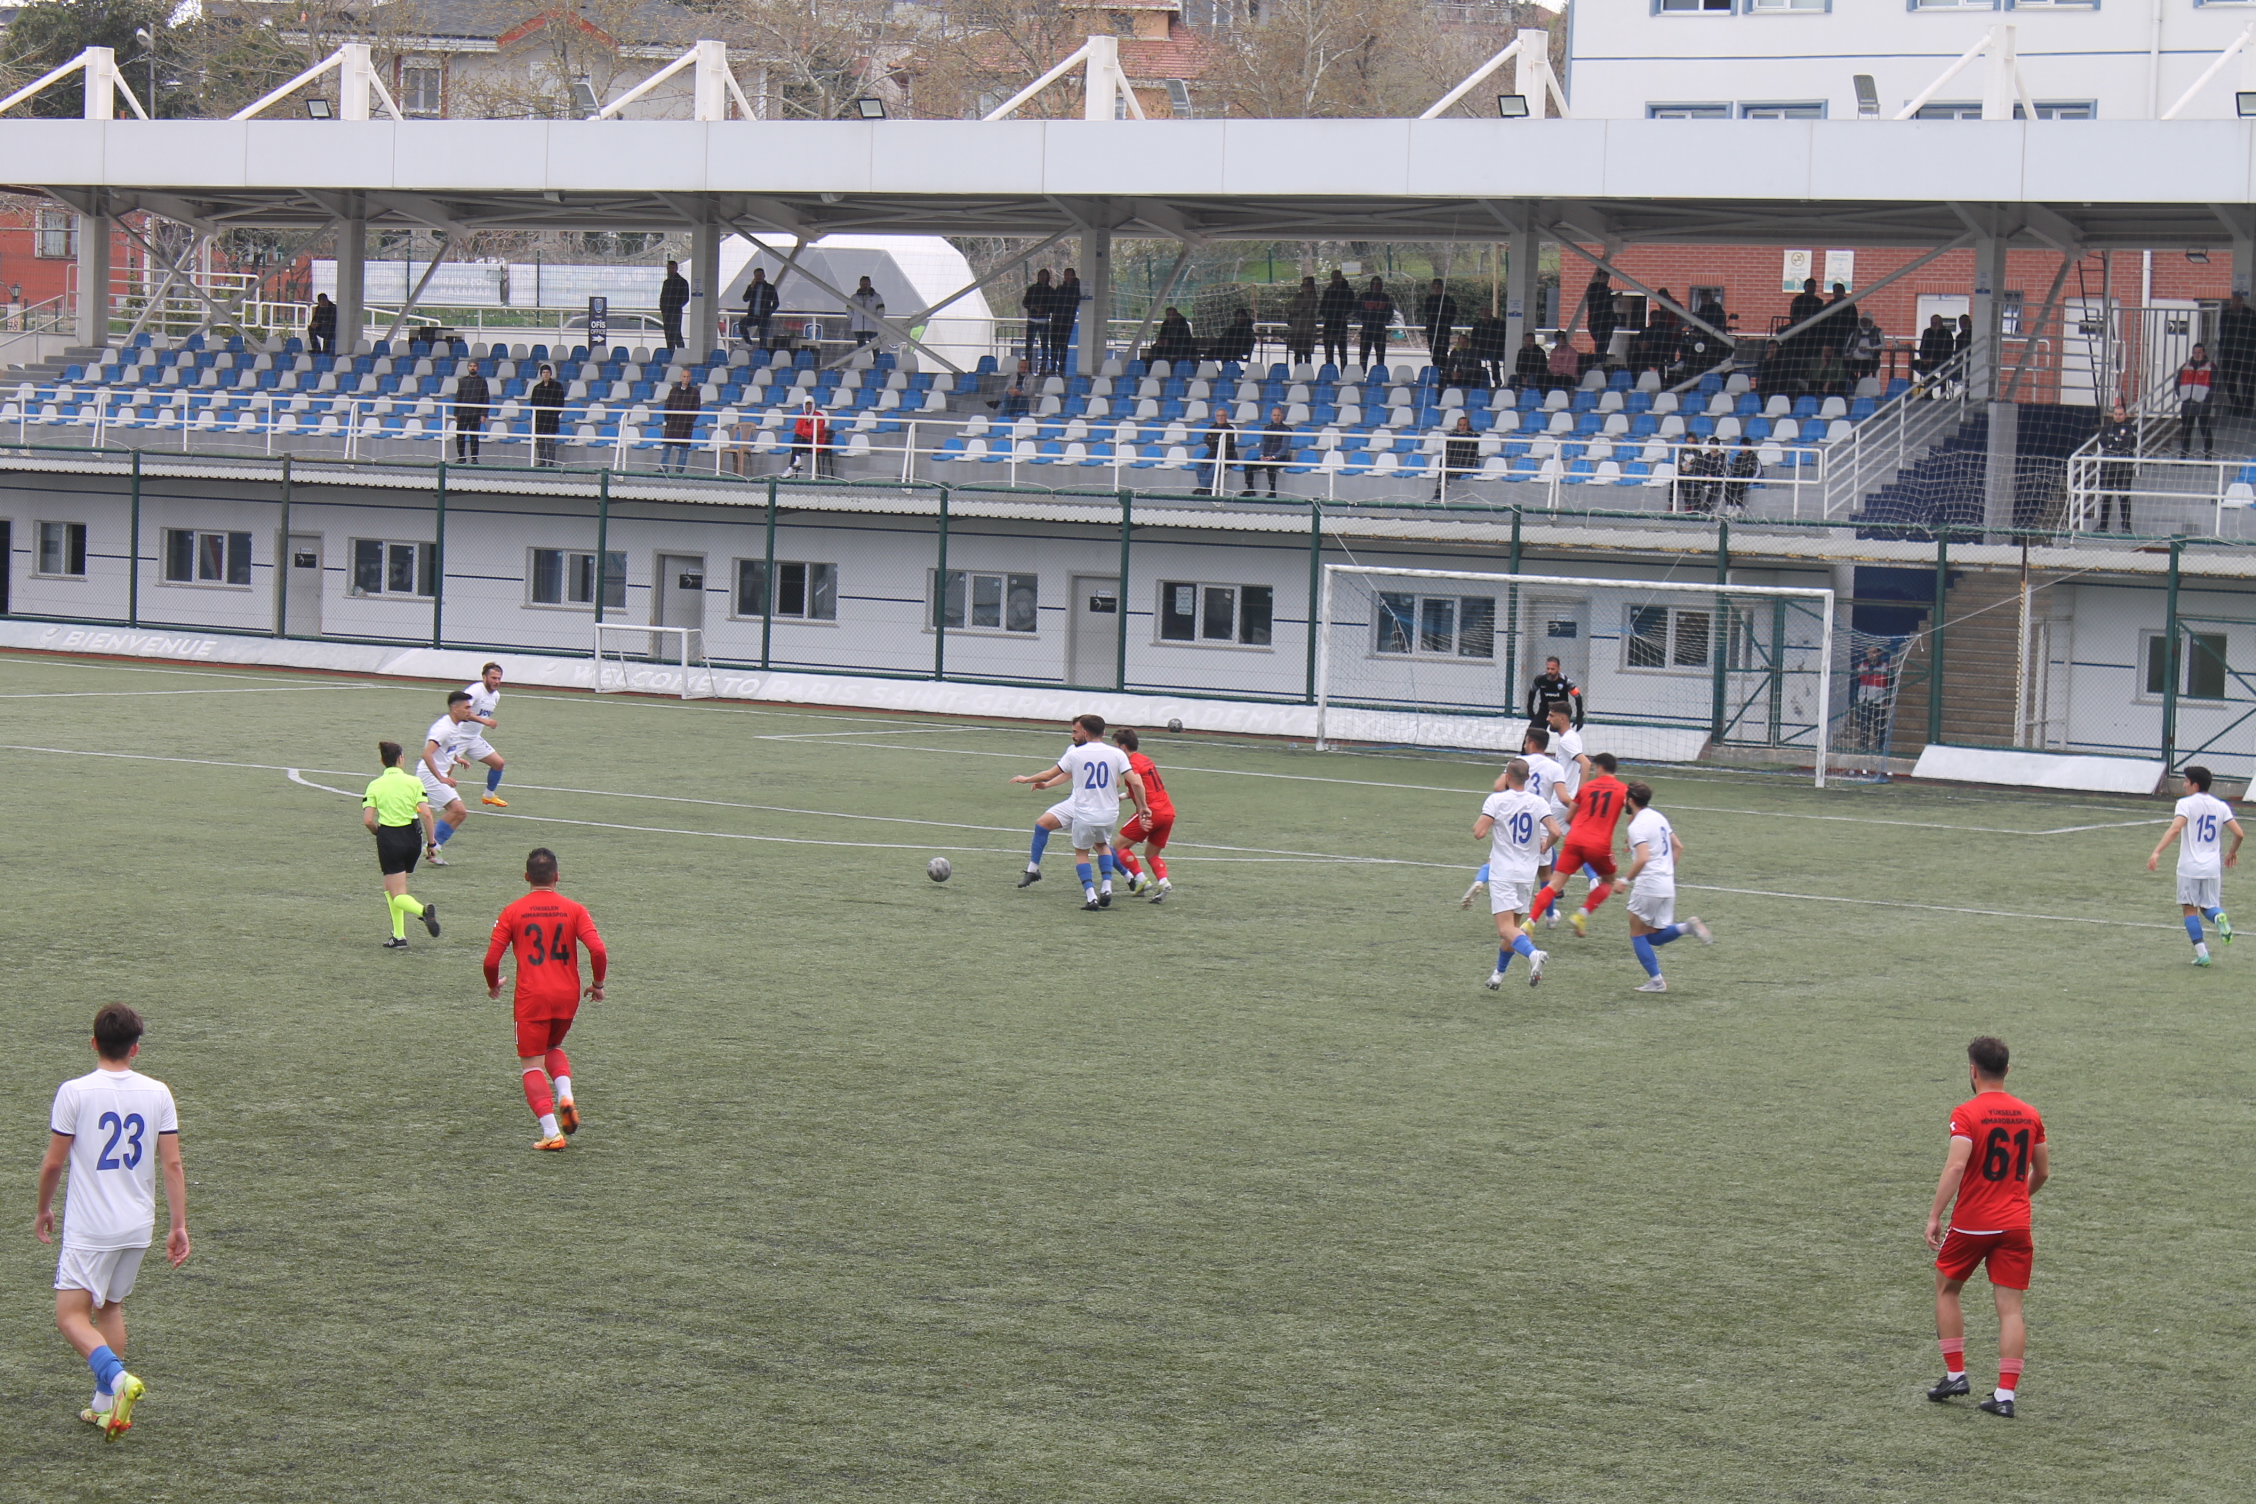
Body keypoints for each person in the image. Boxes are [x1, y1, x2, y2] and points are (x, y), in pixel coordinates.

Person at [35, 1003, 189, 1441]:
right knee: (110, 1307)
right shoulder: (158, 1092)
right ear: (135, 1048)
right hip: (137, 1225)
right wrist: (178, 1226)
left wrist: (43, 1208)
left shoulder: (75, 1092)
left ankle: (118, 1379)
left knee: (70, 1316)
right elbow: (173, 1164)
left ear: (93, 1043)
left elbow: (53, 1164)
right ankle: (105, 1406)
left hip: (91, 1228)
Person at [1924, 1036, 2048, 1420]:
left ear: (1972, 1070)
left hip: (1973, 1223)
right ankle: (2005, 1395)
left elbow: (1957, 1166)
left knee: (1947, 1288)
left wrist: (1934, 1215)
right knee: (2011, 1310)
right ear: (2007, 1070)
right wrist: (2017, 1199)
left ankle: (1956, 1374)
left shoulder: (1967, 1113)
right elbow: (2042, 1171)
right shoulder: (2030, 1113)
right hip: (2015, 1224)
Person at [483, 847, 608, 1151]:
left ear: (527, 877)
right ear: (557, 877)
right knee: (552, 1047)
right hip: (567, 996)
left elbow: (491, 961)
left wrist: (493, 984)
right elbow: (598, 950)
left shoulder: (513, 911)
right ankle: (565, 1094)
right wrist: (598, 984)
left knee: (531, 1065)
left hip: (532, 998)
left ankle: (551, 1133)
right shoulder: (574, 909)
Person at [1010, 713, 1151, 910]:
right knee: (1046, 825)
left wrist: (1027, 779)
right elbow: (1066, 774)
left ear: (1085, 731)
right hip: (1093, 806)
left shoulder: (1078, 754)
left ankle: (1112, 885)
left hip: (1086, 808)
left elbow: (1056, 771)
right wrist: (1143, 806)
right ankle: (1034, 871)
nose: (1073, 735)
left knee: (1089, 848)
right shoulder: (1104, 753)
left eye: (1076, 732)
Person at [1472, 756, 1560, 990]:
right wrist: (1546, 844)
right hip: (1526, 873)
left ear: (1507, 777)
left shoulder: (1496, 800)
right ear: (1528, 778)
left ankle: (1533, 955)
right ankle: (1498, 975)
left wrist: (1485, 823)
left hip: (1503, 872)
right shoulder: (1538, 802)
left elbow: (1479, 833)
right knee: (1513, 931)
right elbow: (1556, 831)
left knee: (1504, 929)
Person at [1525, 750, 1630, 937]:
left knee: (1554, 884)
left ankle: (1530, 922)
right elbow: (1633, 812)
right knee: (1609, 881)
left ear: (1600, 768)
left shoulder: (1587, 788)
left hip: (1574, 840)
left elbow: (1569, 816)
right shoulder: (1623, 790)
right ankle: (1581, 915)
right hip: (1599, 845)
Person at [1620, 780, 1712, 993]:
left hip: (1648, 885)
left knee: (1636, 933)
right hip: (1666, 884)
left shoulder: (1637, 826)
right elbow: (1678, 846)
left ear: (1631, 801)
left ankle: (1657, 981)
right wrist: (1666, 871)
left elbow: (1642, 858)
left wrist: (1624, 881)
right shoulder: (1658, 817)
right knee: (1652, 936)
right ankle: (1687, 927)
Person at [2146, 763, 2242, 966]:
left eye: (2186, 781)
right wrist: (2232, 852)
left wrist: (2157, 852)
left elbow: (2174, 829)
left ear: (2195, 785)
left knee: (2190, 910)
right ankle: (2219, 918)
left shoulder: (2185, 804)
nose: (2184, 784)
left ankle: (2202, 954)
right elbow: (2239, 833)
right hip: (2212, 868)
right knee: (2209, 907)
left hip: (2189, 867)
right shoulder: (2221, 806)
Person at [363, 740, 441, 949]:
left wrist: (378, 832)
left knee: (397, 894)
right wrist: (431, 843)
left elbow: (368, 820)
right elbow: (426, 813)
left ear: (382, 761)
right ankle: (399, 936)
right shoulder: (414, 782)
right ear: (400, 759)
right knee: (392, 888)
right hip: (412, 837)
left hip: (390, 838)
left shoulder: (375, 785)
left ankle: (423, 912)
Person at [1109, 726, 1176, 901]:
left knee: (1119, 847)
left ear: (1123, 747)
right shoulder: (1145, 760)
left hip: (1152, 810)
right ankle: (1163, 881)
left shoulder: (1131, 765)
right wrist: (1122, 797)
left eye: (1116, 747)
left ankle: (1141, 880)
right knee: (1152, 854)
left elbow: (1138, 785)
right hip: (1168, 811)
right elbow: (1145, 786)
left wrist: (1142, 809)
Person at [419, 689, 482, 865]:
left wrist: (457, 758)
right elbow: (427, 754)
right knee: (458, 810)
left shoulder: (456, 725)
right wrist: (440, 777)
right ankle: (431, 847)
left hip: (436, 774)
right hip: (429, 775)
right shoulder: (443, 728)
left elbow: (448, 748)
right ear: (456, 709)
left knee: (460, 814)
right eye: (467, 708)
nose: (470, 711)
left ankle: (433, 849)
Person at [461, 661, 509, 806]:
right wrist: (485, 721)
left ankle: (488, 796)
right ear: (484, 677)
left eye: (499, 678)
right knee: (444, 773)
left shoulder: (496, 696)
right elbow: (462, 711)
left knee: (498, 763)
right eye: (493, 678)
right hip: (456, 737)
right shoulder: (475, 690)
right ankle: (417, 801)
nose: (497, 681)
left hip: (473, 738)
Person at [2094, 400, 2137, 533]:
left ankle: (2126, 526)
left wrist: (2114, 443)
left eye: (2120, 414)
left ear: (2125, 415)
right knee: (2106, 496)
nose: (2118, 416)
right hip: (2108, 467)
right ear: (2113, 414)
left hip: (2124, 468)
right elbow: (2103, 441)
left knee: (2124, 497)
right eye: (2116, 414)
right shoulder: (2106, 427)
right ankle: (2103, 525)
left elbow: (2130, 443)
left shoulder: (2130, 427)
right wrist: (2116, 444)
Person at [2219, 290, 2256, 415]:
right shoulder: (2225, 315)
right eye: (2233, 302)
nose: (2235, 304)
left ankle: (2247, 407)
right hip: (2229, 353)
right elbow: (2222, 334)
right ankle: (2236, 403)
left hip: (2248, 353)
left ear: (2242, 302)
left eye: (2237, 302)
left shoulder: (2251, 314)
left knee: (2248, 381)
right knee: (2229, 379)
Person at [2177, 343, 2216, 459]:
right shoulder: (2185, 366)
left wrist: (2207, 398)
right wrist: (2181, 395)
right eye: (2195, 352)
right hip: (2187, 402)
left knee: (2204, 429)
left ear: (2204, 353)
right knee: (2186, 430)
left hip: (2202, 403)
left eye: (2199, 352)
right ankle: (2183, 454)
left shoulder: (2210, 366)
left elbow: (2216, 385)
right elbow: (2177, 382)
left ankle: (2208, 455)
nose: (2197, 354)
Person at [660, 366, 701, 474]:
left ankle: (679, 469)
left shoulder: (694, 392)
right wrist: (668, 420)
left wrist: (689, 421)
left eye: (687, 377)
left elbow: (696, 408)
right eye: (684, 376)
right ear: (680, 378)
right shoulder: (673, 390)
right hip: (672, 423)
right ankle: (663, 467)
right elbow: (667, 406)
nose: (686, 379)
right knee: (667, 446)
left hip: (686, 425)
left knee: (684, 448)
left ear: (690, 378)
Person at [1525, 654, 1582, 728]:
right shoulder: (1540, 679)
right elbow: (1532, 692)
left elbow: (1577, 697)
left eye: (1552, 669)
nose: (1550, 671)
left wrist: (1579, 716)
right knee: (1533, 733)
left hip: (1561, 712)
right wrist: (1530, 710)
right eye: (1548, 669)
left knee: (1566, 734)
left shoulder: (1566, 681)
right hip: (1544, 710)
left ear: (1558, 669)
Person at [1196, 409, 1242, 497]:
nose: (1220, 418)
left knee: (1214, 466)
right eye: (1218, 416)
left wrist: (1213, 439)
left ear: (1226, 417)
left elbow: (1226, 443)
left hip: (1226, 456)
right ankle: (1206, 489)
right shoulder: (1212, 428)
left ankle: (1202, 488)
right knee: (1199, 465)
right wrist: (1216, 440)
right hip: (1212, 455)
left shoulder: (1230, 428)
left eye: (1222, 416)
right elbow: (1206, 440)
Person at [1249, 405, 1292, 498]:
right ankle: (1250, 489)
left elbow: (1284, 449)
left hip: (1280, 458)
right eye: (1274, 415)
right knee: (1248, 465)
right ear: (1271, 416)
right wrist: (1261, 456)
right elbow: (1262, 445)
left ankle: (1272, 491)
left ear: (1282, 416)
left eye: (1278, 415)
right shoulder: (1267, 429)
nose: (1276, 417)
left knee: (1270, 465)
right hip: (1266, 457)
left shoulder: (1286, 430)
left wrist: (1273, 457)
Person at [1434, 412, 1479, 501]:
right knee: (1443, 461)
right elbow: (1448, 451)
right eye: (1460, 425)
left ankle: (1439, 491)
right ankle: (1440, 490)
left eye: (1464, 425)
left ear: (1468, 426)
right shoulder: (1452, 436)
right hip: (1454, 462)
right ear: (1457, 426)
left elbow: (1470, 453)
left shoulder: (1474, 436)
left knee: (1445, 470)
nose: (1462, 427)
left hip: (1467, 462)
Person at [1317, 269, 1356, 369]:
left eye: (1337, 277)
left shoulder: (1347, 291)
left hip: (1340, 323)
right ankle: (1330, 371)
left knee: (1342, 351)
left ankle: (1344, 371)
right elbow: (1322, 307)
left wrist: (1341, 314)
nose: (1335, 280)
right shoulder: (1329, 291)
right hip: (1329, 324)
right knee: (1328, 351)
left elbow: (1351, 307)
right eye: (1334, 278)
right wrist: (1328, 314)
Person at [529, 362, 565, 466]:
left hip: (551, 419)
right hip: (540, 419)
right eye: (543, 372)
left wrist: (554, 413)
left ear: (551, 373)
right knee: (540, 442)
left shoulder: (557, 386)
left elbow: (560, 402)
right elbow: (533, 403)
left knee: (550, 442)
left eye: (547, 372)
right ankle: (542, 461)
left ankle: (551, 462)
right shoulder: (537, 388)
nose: (545, 374)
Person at [452, 361, 489, 464]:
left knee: (474, 436)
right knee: (460, 435)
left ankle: (474, 457)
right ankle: (461, 457)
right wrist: (456, 413)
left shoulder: (482, 382)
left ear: (478, 368)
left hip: (475, 414)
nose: (472, 368)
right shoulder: (462, 381)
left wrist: (484, 414)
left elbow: (485, 398)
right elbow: (458, 396)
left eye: (474, 366)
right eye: (471, 366)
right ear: (468, 367)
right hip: (463, 413)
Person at [1356, 276, 1395, 370]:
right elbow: (1357, 309)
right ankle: (1362, 372)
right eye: (1374, 284)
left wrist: (1383, 321)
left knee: (1380, 355)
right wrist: (1364, 319)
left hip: (1380, 329)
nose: (1376, 286)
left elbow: (1389, 312)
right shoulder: (1364, 296)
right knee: (1364, 354)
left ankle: (1379, 372)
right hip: (1367, 329)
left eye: (1378, 284)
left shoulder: (1385, 297)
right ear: (1371, 285)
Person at [1021, 268, 1056, 375]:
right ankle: (1029, 369)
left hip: (1044, 321)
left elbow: (1053, 306)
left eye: (1044, 276)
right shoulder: (1032, 289)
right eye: (1040, 276)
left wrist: (1044, 309)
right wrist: (1033, 307)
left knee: (1045, 346)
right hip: (1032, 320)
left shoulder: (1051, 291)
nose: (1042, 278)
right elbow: (1025, 303)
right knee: (1029, 345)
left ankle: (1043, 369)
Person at [1285, 275, 1320, 368]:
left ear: (1312, 286)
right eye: (1303, 285)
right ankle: (1297, 371)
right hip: (1296, 329)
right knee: (1297, 353)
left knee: (1307, 353)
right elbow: (1291, 308)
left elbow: (1307, 310)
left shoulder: (1313, 297)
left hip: (1307, 329)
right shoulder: (1298, 296)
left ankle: (1307, 372)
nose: (1305, 287)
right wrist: (1299, 310)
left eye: (1307, 285)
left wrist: (1297, 310)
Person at [1418, 278, 1459, 358]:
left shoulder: (1448, 300)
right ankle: (1435, 367)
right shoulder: (1429, 300)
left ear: (1442, 288)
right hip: (1432, 329)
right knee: (1433, 351)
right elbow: (1427, 313)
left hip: (1443, 329)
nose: (1436, 290)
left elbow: (1453, 313)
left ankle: (1443, 368)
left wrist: (1444, 322)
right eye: (1434, 287)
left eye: (1438, 287)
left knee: (1443, 350)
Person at [741, 267, 779, 352]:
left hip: (764, 317)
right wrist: (751, 287)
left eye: (760, 275)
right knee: (742, 325)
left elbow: (776, 302)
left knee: (763, 338)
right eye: (757, 276)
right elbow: (745, 298)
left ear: (764, 276)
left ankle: (762, 356)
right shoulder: (752, 287)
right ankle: (749, 342)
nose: (759, 277)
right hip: (753, 315)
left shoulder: (770, 287)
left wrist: (769, 312)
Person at [1049, 266, 1080, 372]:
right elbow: (1053, 302)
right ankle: (1052, 367)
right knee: (1054, 345)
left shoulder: (1076, 289)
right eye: (1065, 275)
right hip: (1056, 320)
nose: (1066, 277)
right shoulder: (1060, 288)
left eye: (1069, 275)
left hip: (1067, 321)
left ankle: (1061, 368)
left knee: (1063, 345)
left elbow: (1074, 302)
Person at [789, 399, 829, 477]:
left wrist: (804, 432)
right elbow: (797, 430)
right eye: (807, 404)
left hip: (814, 442)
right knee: (796, 441)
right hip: (803, 443)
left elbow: (816, 432)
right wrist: (807, 432)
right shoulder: (802, 416)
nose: (808, 406)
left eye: (810, 404)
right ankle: (796, 461)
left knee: (796, 442)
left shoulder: (819, 416)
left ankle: (791, 467)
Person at [845, 274, 886, 349]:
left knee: (875, 346)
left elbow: (881, 310)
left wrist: (877, 320)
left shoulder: (877, 297)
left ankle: (876, 360)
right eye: (863, 284)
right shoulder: (854, 297)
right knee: (861, 347)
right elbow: (849, 309)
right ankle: (863, 359)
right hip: (858, 327)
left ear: (870, 285)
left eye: (866, 284)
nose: (865, 286)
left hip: (872, 326)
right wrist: (852, 319)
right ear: (860, 284)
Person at [1470, 311, 1509, 387]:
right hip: (1481, 349)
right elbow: (1473, 339)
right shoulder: (1477, 324)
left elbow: (1502, 338)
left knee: (1493, 357)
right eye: (1482, 311)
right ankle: (1477, 379)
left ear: (1490, 312)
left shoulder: (1498, 323)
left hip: (1495, 348)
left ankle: (1497, 380)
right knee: (1474, 355)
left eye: (1486, 311)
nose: (1484, 314)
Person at [658, 258, 689, 352]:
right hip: (667, 312)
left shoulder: (682, 282)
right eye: (669, 269)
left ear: (676, 268)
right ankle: (670, 354)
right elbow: (662, 297)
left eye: (672, 268)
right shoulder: (666, 282)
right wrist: (663, 308)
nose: (670, 271)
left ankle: (681, 353)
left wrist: (676, 306)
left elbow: (685, 297)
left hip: (675, 312)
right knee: (668, 335)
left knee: (676, 333)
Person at [1723, 434, 1759, 515]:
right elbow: (1734, 468)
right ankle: (1729, 506)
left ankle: (1738, 507)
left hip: (1748, 477)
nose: (1744, 449)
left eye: (1745, 447)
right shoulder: (1738, 456)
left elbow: (1754, 471)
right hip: (1738, 476)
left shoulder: (1753, 457)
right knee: (1728, 483)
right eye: (1742, 446)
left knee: (1740, 484)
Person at [1584, 273, 1615, 364]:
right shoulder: (1595, 289)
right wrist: (1613, 297)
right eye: (1604, 276)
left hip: (1605, 322)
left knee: (1604, 343)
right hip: (1599, 322)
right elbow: (1602, 302)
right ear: (1599, 276)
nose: (1606, 279)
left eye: (1607, 277)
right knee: (1602, 342)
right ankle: (1599, 361)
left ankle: (1601, 360)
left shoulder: (1600, 290)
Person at [1915, 313, 1955, 384]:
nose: (1934, 325)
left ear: (1941, 323)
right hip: (1927, 360)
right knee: (1914, 363)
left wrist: (1934, 359)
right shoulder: (1927, 332)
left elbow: (1948, 351)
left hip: (1941, 361)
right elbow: (1922, 348)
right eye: (1932, 323)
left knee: (1932, 369)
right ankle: (1935, 382)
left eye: (1936, 323)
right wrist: (1924, 358)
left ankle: (1933, 386)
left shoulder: (1947, 333)